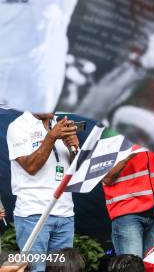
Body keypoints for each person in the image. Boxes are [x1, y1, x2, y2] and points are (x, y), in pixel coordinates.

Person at [6, 112, 79, 272]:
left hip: (65, 213)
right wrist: (51, 137)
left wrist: (74, 148)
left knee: (65, 269)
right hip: (33, 214)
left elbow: (76, 172)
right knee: (36, 269)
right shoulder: (18, 127)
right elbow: (31, 167)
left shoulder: (59, 124)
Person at [102, 151, 154, 257]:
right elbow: (107, 178)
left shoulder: (152, 135)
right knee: (131, 267)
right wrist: (128, 155)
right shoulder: (110, 136)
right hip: (127, 213)